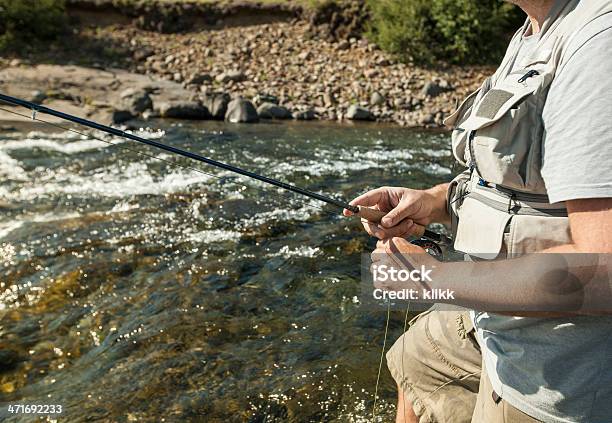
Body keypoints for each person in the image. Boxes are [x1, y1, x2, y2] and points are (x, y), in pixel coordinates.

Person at [344, 0, 612, 422]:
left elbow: (603, 273)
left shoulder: (599, 46)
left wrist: (433, 279)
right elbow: (509, 184)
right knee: (416, 359)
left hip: (555, 369)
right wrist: (434, 202)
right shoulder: (532, 32)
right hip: (493, 314)